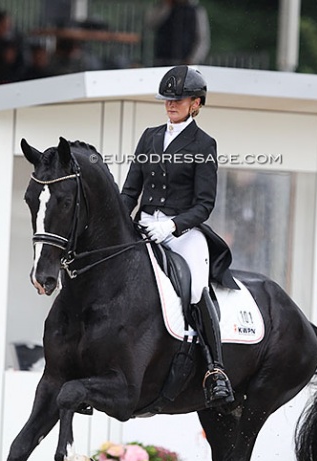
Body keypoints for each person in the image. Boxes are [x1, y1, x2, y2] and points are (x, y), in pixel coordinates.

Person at [120, 65, 236, 409]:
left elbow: (204, 205)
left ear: (195, 103)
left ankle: (215, 369)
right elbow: (130, 191)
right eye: (167, 99)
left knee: (197, 286)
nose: (171, 104)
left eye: (178, 99)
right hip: (143, 226)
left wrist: (171, 226)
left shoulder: (204, 144)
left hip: (182, 232)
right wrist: (120, 222)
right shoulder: (150, 137)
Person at [147, 0, 210, 66]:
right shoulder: (162, 6)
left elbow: (202, 38)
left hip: (185, 62)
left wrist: (193, 60)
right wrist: (166, 7)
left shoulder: (197, 10)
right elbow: (150, 23)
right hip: (162, 60)